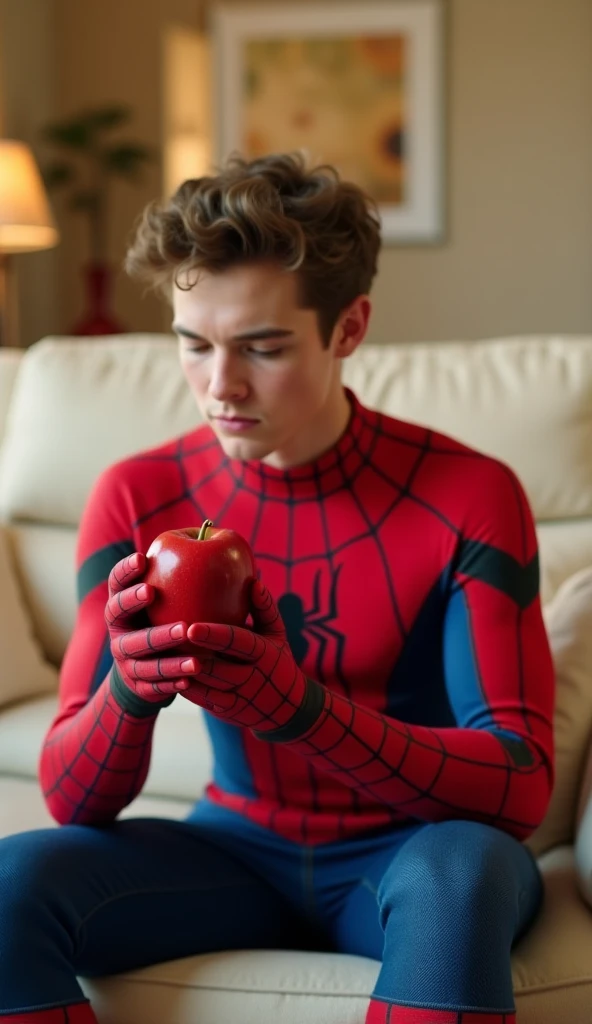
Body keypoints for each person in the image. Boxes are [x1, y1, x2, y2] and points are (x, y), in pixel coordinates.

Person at [0, 152, 554, 1024]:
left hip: (414, 856)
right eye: (193, 343)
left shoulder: (469, 493)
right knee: (8, 882)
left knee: (460, 877)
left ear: (349, 328)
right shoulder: (136, 496)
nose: (220, 387)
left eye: (262, 347)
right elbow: (74, 798)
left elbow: (521, 784)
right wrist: (131, 691)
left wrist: (298, 707)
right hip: (236, 847)